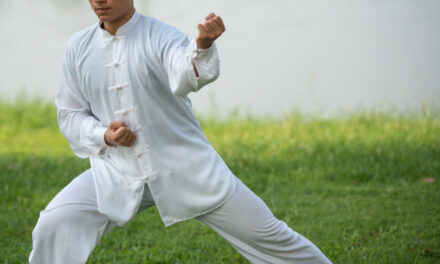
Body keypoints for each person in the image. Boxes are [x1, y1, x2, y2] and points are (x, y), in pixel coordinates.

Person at [29, 0, 332, 263]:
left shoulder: (161, 35)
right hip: (116, 171)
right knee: (55, 223)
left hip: (188, 168)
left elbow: (185, 76)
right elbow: (70, 114)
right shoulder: (78, 47)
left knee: (270, 236)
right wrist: (103, 135)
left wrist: (202, 45)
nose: (99, 0)